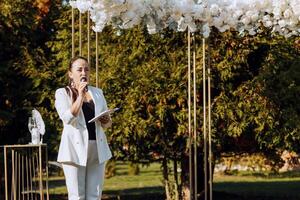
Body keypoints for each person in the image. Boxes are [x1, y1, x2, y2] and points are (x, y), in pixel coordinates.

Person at [54, 56, 112, 200]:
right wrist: (80, 95)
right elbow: (67, 118)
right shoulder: (62, 93)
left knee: (95, 195)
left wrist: (106, 120)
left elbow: (107, 124)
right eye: (79, 69)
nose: (83, 72)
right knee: (77, 196)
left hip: (97, 149)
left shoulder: (98, 92)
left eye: (86, 69)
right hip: (74, 150)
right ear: (70, 73)